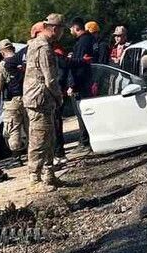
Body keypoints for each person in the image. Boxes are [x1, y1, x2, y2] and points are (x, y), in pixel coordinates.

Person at [24, 15, 65, 187]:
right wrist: (59, 96)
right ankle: (35, 177)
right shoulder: (44, 47)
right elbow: (50, 79)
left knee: (49, 137)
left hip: (40, 98)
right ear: (55, 28)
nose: (63, 33)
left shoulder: (37, 44)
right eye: (62, 29)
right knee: (39, 139)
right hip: (39, 99)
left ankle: (49, 174)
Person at [66, 18, 99, 149]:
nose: (70, 31)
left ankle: (85, 140)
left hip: (83, 83)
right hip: (89, 80)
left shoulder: (82, 42)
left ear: (76, 28)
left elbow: (79, 66)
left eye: (71, 29)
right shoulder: (90, 40)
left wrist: (72, 85)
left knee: (83, 113)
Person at [0, 39, 27, 157]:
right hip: (28, 97)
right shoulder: (23, 60)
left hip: (12, 101)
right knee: (30, 127)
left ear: (2, 52)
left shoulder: (1, 65)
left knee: (13, 128)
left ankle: (16, 156)